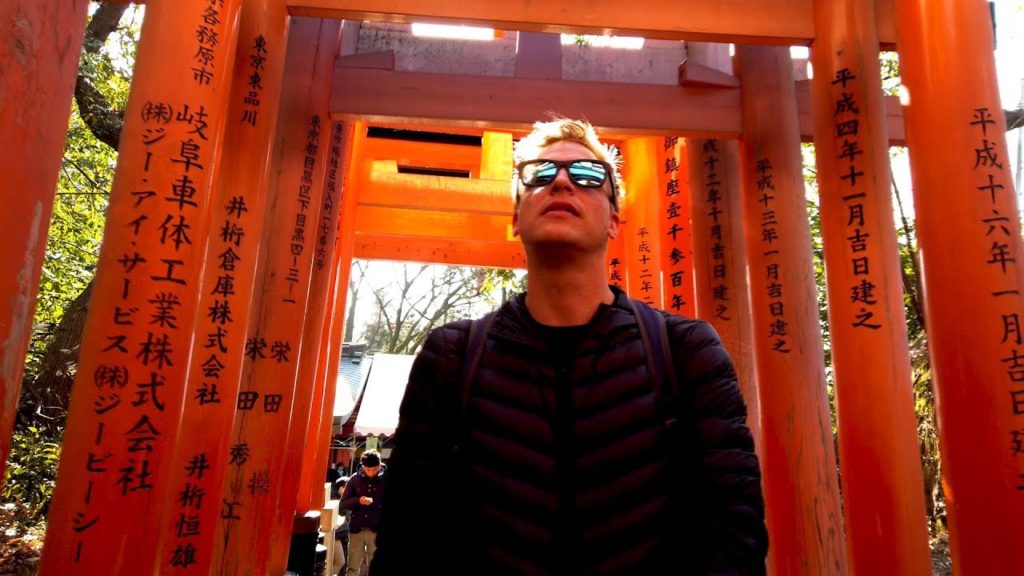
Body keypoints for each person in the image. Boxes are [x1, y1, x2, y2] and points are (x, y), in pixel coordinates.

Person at [372, 117, 768, 575]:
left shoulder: (686, 351)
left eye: (586, 176)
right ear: (516, 218)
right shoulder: (451, 357)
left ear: (615, 219)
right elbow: (407, 538)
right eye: (539, 174)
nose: (561, 181)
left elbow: (734, 535)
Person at [340, 450, 385, 576]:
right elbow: (344, 502)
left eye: (374, 470)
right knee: (353, 567)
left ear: (380, 466)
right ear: (363, 466)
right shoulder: (354, 479)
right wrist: (358, 500)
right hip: (357, 529)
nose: (371, 473)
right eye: (368, 469)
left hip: (378, 530)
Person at [332, 475, 351, 576]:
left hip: (340, 535)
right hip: (336, 535)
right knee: (340, 562)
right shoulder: (335, 500)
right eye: (346, 488)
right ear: (340, 488)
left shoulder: (342, 498)